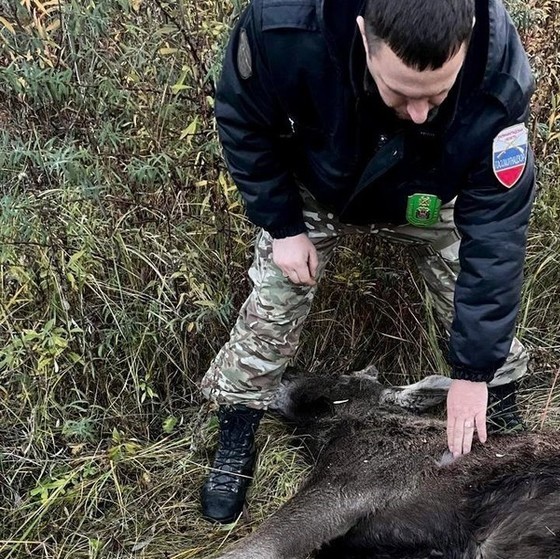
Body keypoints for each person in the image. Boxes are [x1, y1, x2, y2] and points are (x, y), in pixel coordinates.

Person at [200, 0, 536, 524]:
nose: (421, 111)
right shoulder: (282, 29)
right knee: (275, 298)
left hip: (428, 188)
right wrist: (284, 226)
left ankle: (501, 400)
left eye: (438, 94)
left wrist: (474, 372)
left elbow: (496, 229)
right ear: (363, 34)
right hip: (315, 183)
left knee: (473, 294)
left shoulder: (498, 68)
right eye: (402, 92)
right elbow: (243, 123)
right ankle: (240, 421)